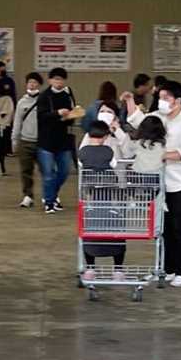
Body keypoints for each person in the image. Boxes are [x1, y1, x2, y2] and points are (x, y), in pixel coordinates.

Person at [123, 80, 181, 287]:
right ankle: (166, 268)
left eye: (166, 98)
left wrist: (156, 154)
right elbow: (138, 121)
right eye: (160, 97)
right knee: (163, 229)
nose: (162, 101)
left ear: (178, 100)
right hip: (159, 185)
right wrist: (130, 101)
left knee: (179, 228)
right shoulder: (158, 117)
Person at [78, 120, 126, 281]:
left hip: (91, 200)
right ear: (105, 136)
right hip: (108, 199)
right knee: (116, 232)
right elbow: (113, 164)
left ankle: (90, 269)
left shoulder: (83, 151)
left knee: (88, 231)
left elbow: (80, 165)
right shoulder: (107, 150)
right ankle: (118, 270)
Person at [36, 67, 77, 213]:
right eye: (56, 79)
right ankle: (49, 202)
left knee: (64, 171)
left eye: (61, 79)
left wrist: (69, 117)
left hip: (63, 140)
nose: (58, 82)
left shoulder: (67, 95)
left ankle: (52, 195)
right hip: (46, 141)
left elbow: (72, 114)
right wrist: (57, 113)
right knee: (48, 174)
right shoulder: (44, 96)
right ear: (50, 80)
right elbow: (41, 117)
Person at [12, 72, 42, 208]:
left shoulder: (44, 100)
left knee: (47, 170)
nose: (32, 84)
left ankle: (50, 195)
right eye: (30, 82)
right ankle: (28, 195)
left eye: (35, 82)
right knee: (26, 171)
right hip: (25, 141)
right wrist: (14, 139)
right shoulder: (22, 102)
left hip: (42, 141)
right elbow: (17, 122)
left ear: (39, 85)